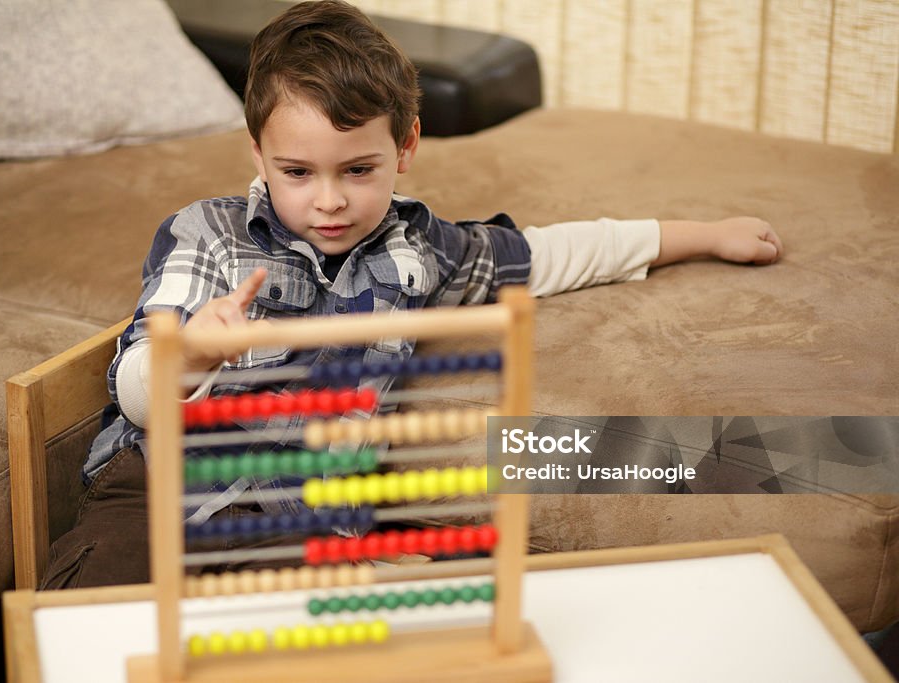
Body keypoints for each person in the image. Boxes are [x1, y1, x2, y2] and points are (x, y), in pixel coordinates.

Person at [40, 0, 783, 589]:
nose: (327, 201)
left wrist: (702, 234)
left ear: (406, 148)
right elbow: (138, 388)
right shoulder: (209, 237)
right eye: (297, 173)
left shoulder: (419, 251)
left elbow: (550, 254)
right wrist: (190, 355)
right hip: (163, 494)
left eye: (357, 170)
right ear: (258, 154)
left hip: (303, 532)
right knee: (92, 612)